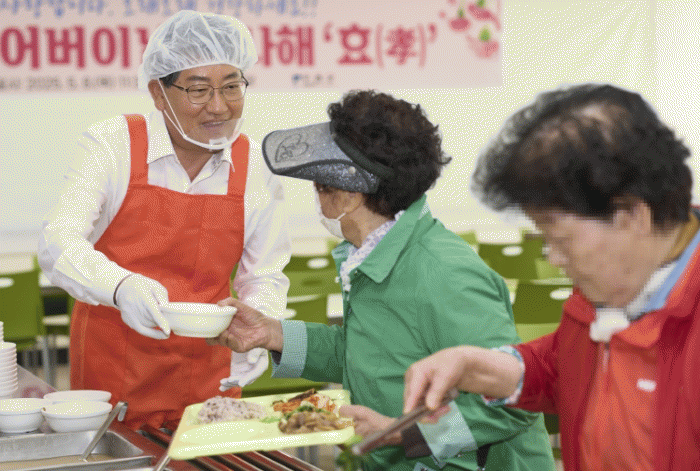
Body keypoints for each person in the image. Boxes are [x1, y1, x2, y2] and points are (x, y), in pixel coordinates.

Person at [211, 90, 555, 470]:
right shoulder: (372, 258)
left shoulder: (445, 273)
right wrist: (272, 333)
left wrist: (405, 434)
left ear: (348, 195)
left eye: (319, 186)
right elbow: (367, 355)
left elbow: (511, 402)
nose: (316, 198)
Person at [403, 83, 700, 471]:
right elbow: (570, 368)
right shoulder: (608, 285)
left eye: (560, 239)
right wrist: (473, 365)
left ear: (631, 216)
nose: (553, 257)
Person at [38, 10, 291, 431]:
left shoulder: (254, 166)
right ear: (158, 92)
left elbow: (264, 273)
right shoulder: (113, 145)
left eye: (232, 87)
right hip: (112, 373)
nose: (218, 106)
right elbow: (58, 241)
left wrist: (259, 326)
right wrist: (121, 287)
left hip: (211, 375)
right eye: (198, 90)